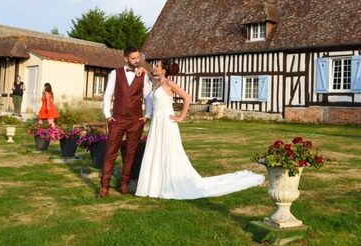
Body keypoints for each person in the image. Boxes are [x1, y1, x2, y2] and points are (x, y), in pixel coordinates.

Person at [136, 59, 264, 200]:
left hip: (167, 122)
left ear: (163, 70)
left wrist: (181, 116)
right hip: (157, 123)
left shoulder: (169, 83)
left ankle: (171, 182)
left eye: (157, 66)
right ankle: (156, 184)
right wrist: (145, 70)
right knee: (157, 151)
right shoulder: (157, 83)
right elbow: (149, 76)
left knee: (169, 151)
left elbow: (187, 97)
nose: (154, 67)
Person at [100, 46, 153, 198]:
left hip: (136, 120)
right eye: (133, 58)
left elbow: (148, 97)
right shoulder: (115, 73)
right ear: (125, 59)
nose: (137, 61)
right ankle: (104, 186)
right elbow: (107, 95)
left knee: (130, 154)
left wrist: (147, 116)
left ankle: (124, 183)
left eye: (138, 58)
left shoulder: (143, 75)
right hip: (117, 119)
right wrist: (107, 115)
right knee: (110, 153)